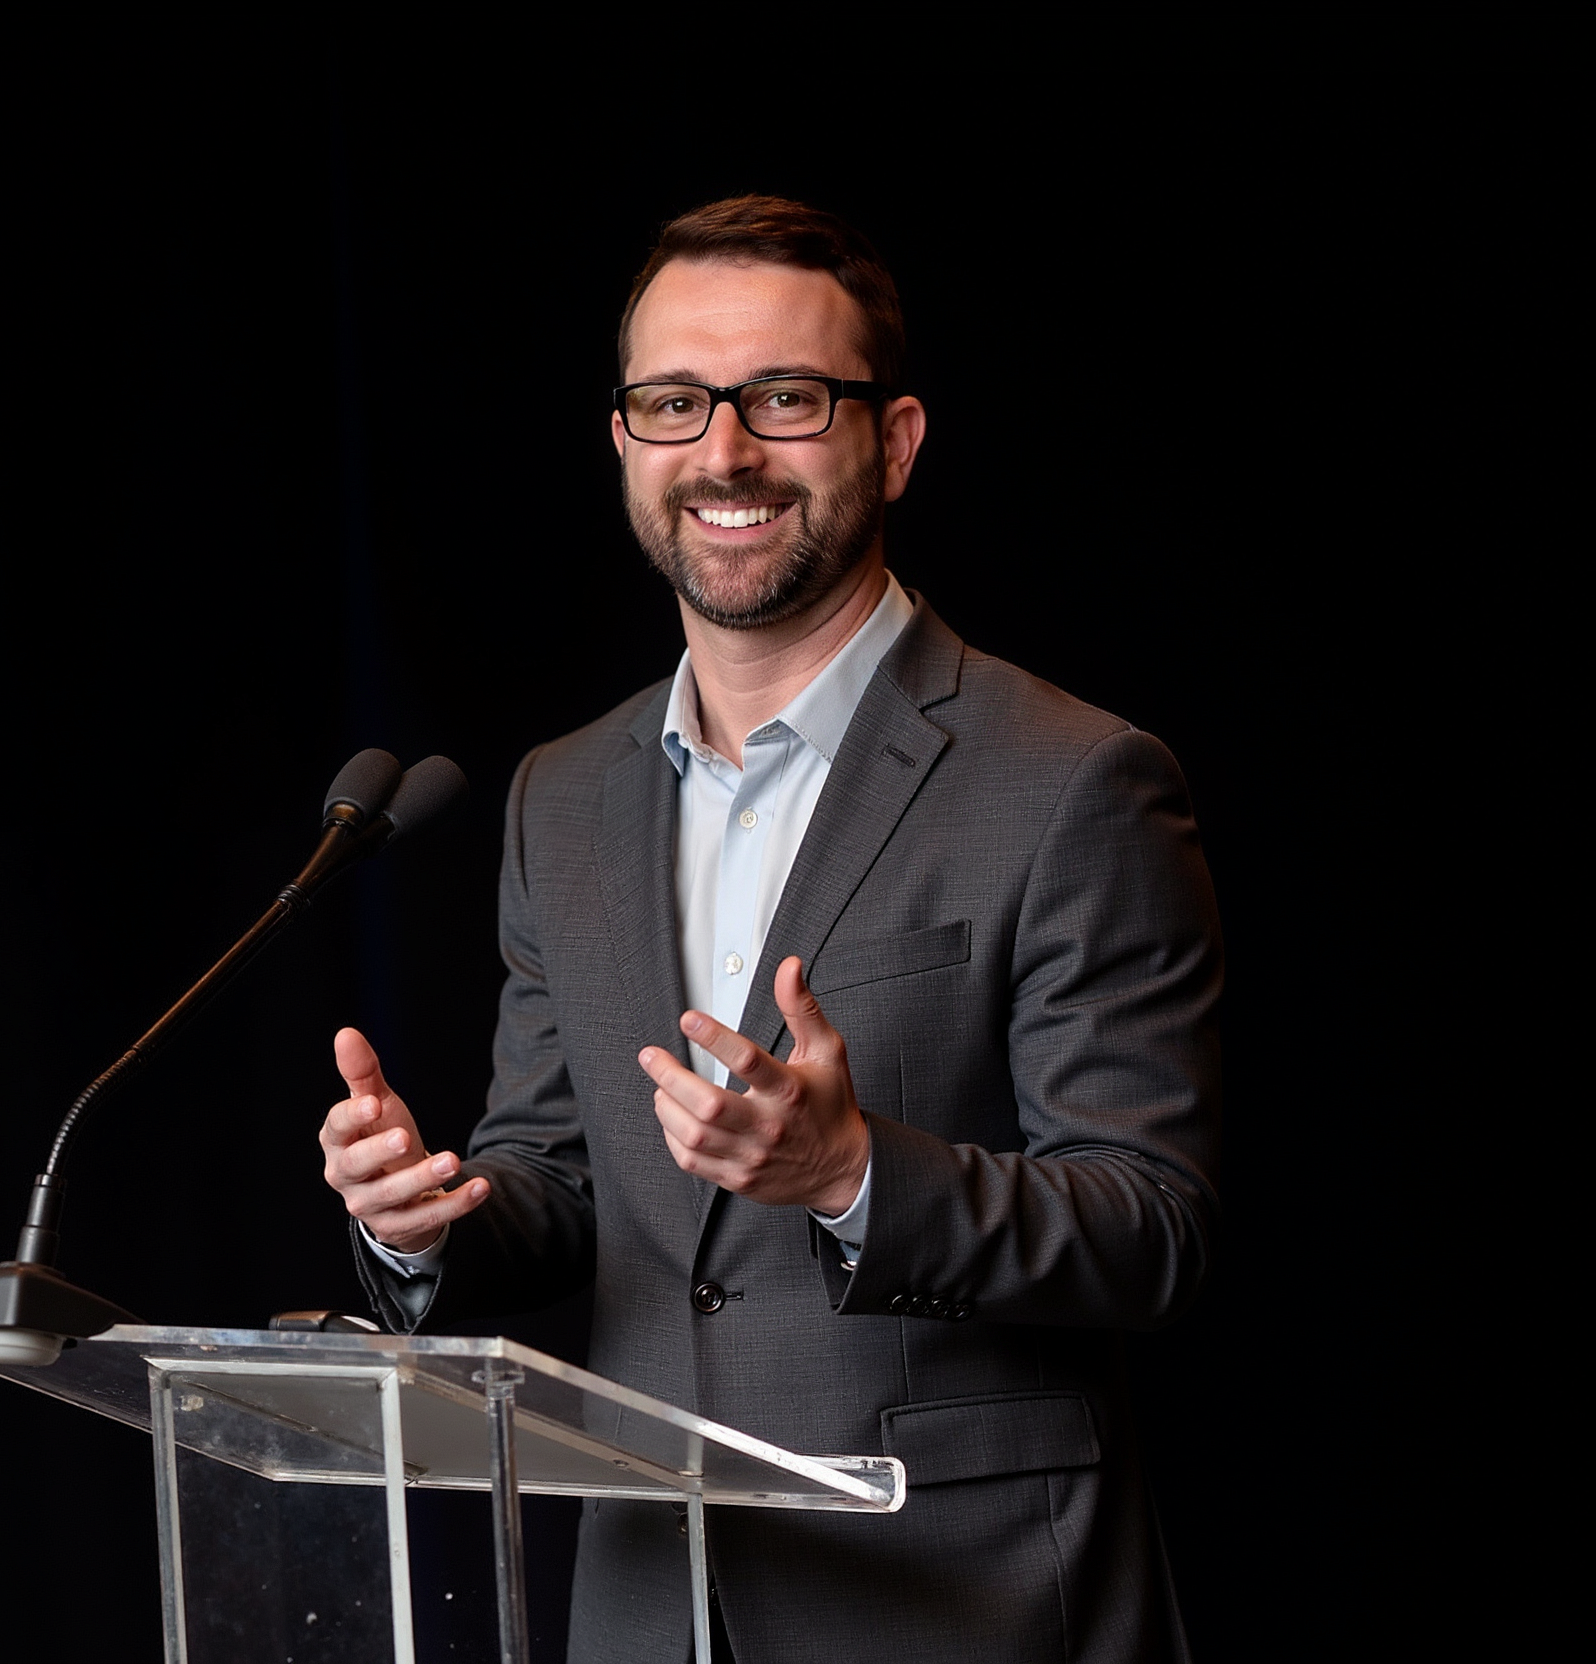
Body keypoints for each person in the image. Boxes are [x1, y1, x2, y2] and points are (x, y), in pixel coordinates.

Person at [319, 196, 1223, 1663]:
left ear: (897, 439)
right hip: (644, 1603)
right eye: (675, 402)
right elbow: (553, 1176)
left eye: (784, 399)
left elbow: (1153, 1228)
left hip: (958, 1603)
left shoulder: (1074, 781)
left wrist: (853, 1174)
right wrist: (419, 1224)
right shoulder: (564, 796)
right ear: (624, 441)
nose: (724, 453)